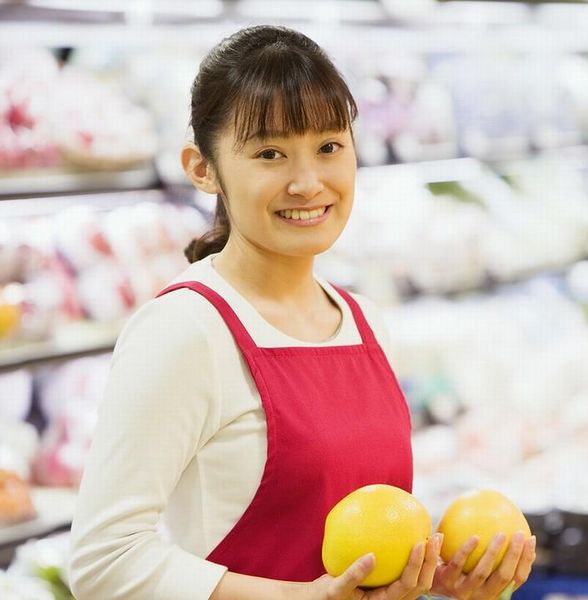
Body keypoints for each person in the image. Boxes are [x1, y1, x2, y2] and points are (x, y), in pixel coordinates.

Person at [67, 25, 536, 600]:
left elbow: (353, 549)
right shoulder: (185, 330)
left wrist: (441, 579)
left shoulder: (363, 322)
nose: (308, 182)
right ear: (202, 168)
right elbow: (103, 560)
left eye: (329, 147)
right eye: (270, 153)